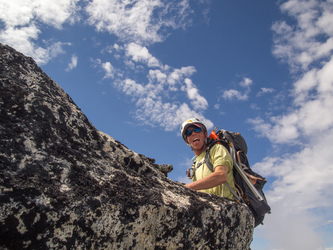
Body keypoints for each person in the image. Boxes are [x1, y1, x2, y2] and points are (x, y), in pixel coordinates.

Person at [180, 118, 236, 199]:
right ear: (187, 142)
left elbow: (221, 175)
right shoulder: (194, 165)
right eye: (188, 133)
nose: (193, 134)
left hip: (228, 206)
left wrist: (186, 188)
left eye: (197, 129)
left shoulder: (216, 149)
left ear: (205, 135)